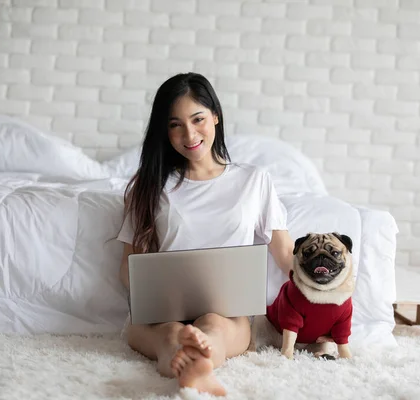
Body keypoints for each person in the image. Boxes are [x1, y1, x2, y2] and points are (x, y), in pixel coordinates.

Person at [117, 72, 295, 396]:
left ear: (215, 115)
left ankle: (197, 360)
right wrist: (148, 294)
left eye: (198, 119)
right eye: (175, 125)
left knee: (213, 325)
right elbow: (127, 265)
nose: (189, 134)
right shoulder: (149, 185)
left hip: (229, 316)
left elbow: (284, 254)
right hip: (158, 316)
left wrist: (326, 283)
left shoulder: (254, 181)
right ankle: (191, 360)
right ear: (164, 130)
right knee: (170, 333)